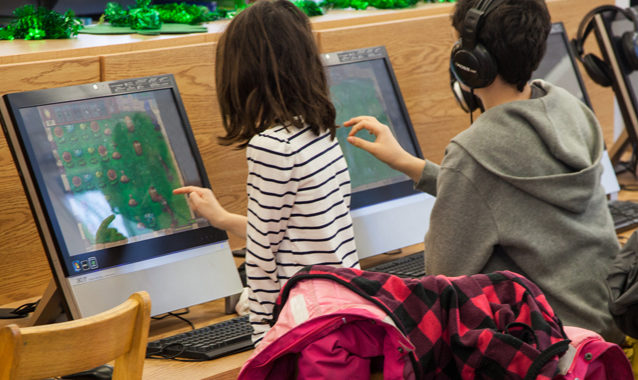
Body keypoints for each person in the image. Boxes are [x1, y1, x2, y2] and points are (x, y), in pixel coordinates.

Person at [345, 0, 623, 343]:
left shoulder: (475, 154)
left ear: (471, 63)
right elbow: (502, 194)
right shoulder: (570, 109)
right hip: (608, 334)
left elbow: (441, 284)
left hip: (552, 348)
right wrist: (408, 163)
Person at [173, 0, 359, 346]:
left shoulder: (271, 146)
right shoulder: (320, 131)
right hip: (340, 311)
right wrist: (225, 219)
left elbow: (261, 256)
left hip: (303, 327)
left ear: (242, 73)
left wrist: (263, 341)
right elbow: (299, 235)